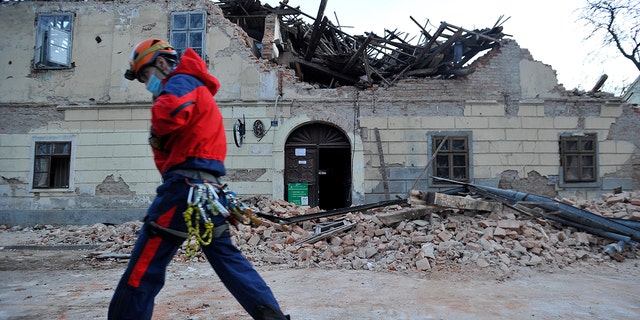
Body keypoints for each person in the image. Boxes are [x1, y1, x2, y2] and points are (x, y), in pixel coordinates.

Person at [108, 38, 289, 320]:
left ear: (160, 62)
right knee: (227, 258)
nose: (147, 84)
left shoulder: (180, 83)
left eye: (146, 75)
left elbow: (170, 114)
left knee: (144, 268)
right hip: (208, 192)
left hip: (183, 190)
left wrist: (157, 117)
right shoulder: (196, 87)